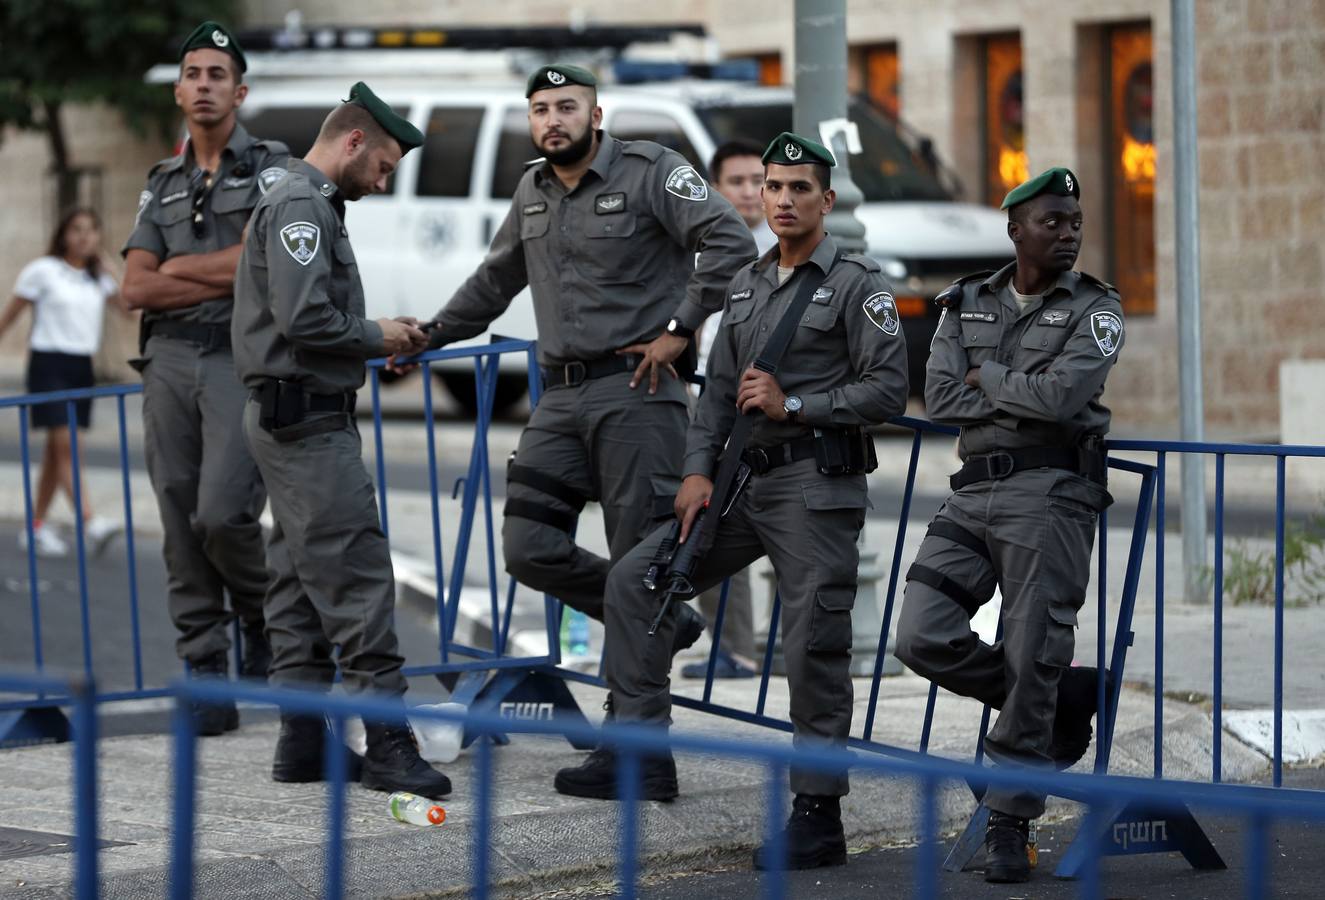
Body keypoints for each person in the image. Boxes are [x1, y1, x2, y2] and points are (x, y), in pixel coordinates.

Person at [555, 133, 910, 873]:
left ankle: (817, 814)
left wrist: (799, 402)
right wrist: (694, 473)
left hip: (815, 486)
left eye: (798, 189)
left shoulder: (856, 285)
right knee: (633, 580)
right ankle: (643, 754)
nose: (781, 199)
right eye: (773, 187)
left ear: (826, 200)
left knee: (810, 645)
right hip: (737, 487)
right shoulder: (745, 284)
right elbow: (716, 393)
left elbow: (885, 388)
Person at [425, 64, 757, 675]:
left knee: (639, 559)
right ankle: (668, 618)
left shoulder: (650, 169)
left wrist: (678, 330)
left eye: (567, 107)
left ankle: (630, 740)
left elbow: (732, 242)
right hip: (559, 400)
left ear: (596, 116)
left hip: (637, 394)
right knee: (529, 549)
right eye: (541, 110)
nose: (553, 120)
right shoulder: (532, 190)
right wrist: (429, 334)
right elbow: (494, 280)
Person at [893, 167, 1123, 884]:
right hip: (971, 492)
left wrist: (986, 379)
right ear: (1014, 230)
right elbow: (934, 397)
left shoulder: (1094, 308)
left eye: (1073, 222)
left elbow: (1060, 400)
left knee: (1031, 648)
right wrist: (997, 389)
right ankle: (1056, 698)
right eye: (1051, 222)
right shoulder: (965, 301)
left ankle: (1010, 821)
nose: (1066, 233)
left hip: (1050, 492)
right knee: (919, 634)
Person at [233, 81, 451, 798]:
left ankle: (302, 740)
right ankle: (389, 742)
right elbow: (303, 320)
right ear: (352, 141)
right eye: (384, 165)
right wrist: (375, 334)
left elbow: (305, 317)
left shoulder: (307, 202)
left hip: (287, 412)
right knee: (356, 575)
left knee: (297, 582)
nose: (385, 182)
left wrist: (369, 335)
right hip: (305, 424)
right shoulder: (302, 204)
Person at [120, 21, 287, 733]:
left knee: (222, 512)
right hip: (166, 362)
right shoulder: (162, 181)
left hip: (234, 358)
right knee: (177, 517)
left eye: (218, 74)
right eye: (193, 73)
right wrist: (213, 272)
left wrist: (176, 270)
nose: (204, 84)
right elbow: (134, 288)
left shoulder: (272, 168)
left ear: (239, 90)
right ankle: (206, 673)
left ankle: (258, 613)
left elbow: (260, 264)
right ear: (181, 88)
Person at [683, 139, 777, 680]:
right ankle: (731, 644)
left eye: (754, 181)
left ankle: (742, 648)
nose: (747, 191)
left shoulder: (780, 245)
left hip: (761, 406)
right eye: (735, 182)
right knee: (712, 517)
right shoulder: (709, 245)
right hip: (711, 398)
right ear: (715, 189)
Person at [0, 208, 129, 558]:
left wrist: (112, 272)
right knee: (68, 448)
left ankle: (35, 527)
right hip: (48, 363)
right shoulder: (43, 271)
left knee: (57, 455)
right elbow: (8, 317)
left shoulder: (97, 278)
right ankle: (89, 521)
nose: (85, 237)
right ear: (63, 234)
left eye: (91, 230)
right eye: (77, 229)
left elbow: (129, 310)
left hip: (80, 367)